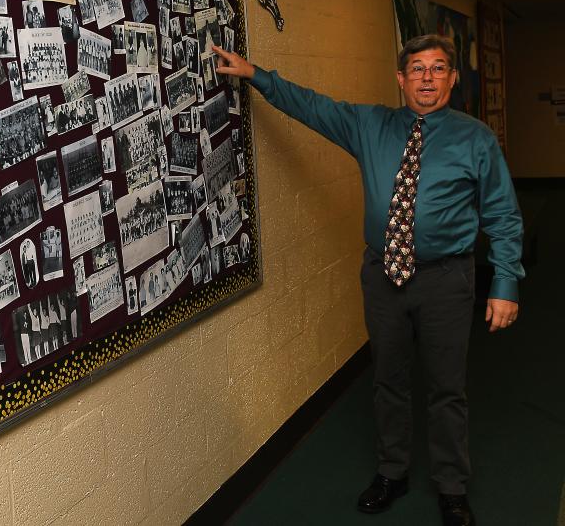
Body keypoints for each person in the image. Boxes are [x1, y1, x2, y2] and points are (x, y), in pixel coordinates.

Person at [212, 36, 523, 526]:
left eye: (438, 68)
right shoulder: (369, 124)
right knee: (388, 379)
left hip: (447, 279)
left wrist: (505, 283)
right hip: (383, 277)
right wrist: (256, 75)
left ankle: (451, 487)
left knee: (447, 387)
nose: (426, 78)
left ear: (452, 79)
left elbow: (503, 215)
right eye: (416, 69)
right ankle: (392, 472)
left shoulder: (475, 138)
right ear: (401, 79)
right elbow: (311, 107)